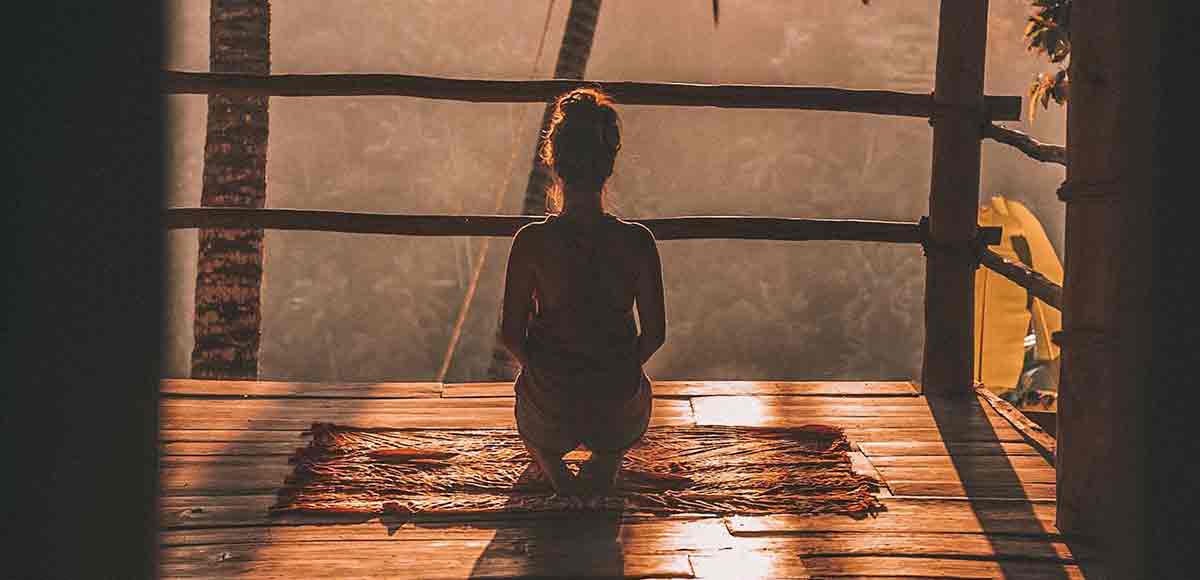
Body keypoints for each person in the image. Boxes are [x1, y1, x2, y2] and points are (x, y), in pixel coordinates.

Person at [500, 88, 666, 497]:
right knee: (627, 401)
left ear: (554, 162)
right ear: (609, 164)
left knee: (534, 406)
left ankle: (550, 458)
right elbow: (656, 334)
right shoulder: (638, 242)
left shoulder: (531, 242)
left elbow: (511, 335)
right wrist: (616, 369)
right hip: (616, 406)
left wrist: (546, 373)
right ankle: (608, 453)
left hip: (551, 406)